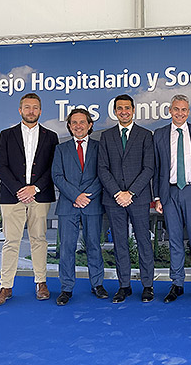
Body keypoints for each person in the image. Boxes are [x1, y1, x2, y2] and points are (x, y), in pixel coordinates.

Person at [0, 93, 59, 306]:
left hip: (40, 196)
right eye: (27, 107)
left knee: (39, 240)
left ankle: (41, 282)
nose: (31, 111)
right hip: (12, 197)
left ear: (40, 111)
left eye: (35, 107)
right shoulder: (6, 135)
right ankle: (5, 286)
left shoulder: (51, 136)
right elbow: (0, 166)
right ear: (20, 110)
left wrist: (35, 188)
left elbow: (53, 168)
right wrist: (20, 189)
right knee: (11, 242)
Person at [98, 94, 155, 304]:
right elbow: (102, 169)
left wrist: (130, 193)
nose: (123, 111)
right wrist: (117, 193)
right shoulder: (106, 136)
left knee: (143, 242)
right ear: (115, 111)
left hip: (138, 198)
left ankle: (147, 286)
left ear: (133, 110)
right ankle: (124, 286)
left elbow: (149, 168)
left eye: (127, 108)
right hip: (114, 200)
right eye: (119, 108)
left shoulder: (145, 135)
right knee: (120, 243)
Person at [153, 94, 191, 303]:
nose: (180, 113)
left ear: (189, 111)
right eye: (176, 109)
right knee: (174, 239)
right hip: (169, 192)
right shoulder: (159, 134)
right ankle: (177, 283)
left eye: (184, 109)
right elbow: (156, 167)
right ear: (169, 110)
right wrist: (157, 197)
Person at [52, 108, 107, 305]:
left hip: (92, 205)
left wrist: (86, 196)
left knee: (94, 246)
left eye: (82, 122)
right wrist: (76, 195)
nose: (78, 126)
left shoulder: (100, 148)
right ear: (69, 126)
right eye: (73, 123)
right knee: (67, 248)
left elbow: (104, 174)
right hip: (68, 205)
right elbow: (57, 176)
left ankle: (97, 284)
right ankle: (66, 288)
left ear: (90, 125)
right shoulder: (61, 149)